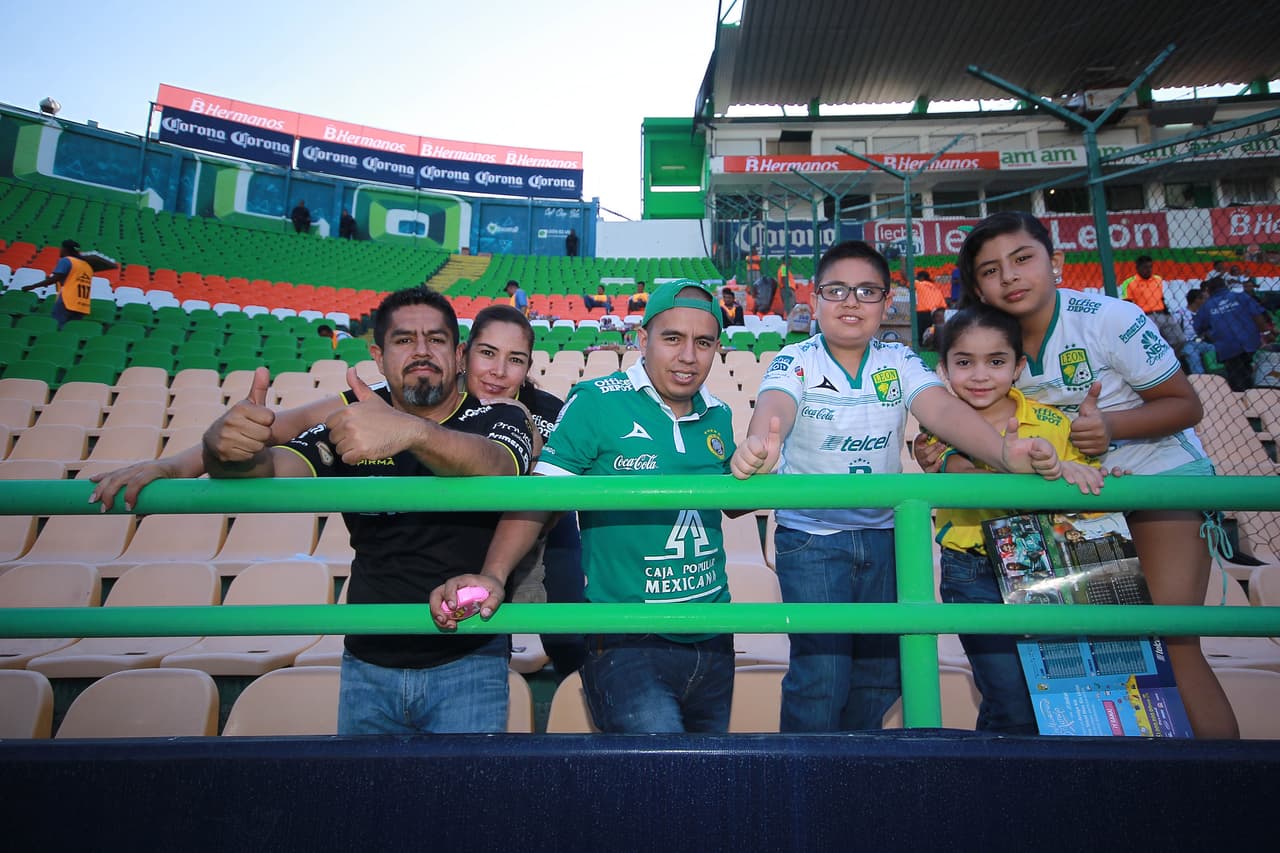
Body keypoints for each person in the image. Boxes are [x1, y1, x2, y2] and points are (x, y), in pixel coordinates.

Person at [729, 240, 1091, 733]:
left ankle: (855, 762)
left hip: (886, 538)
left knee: (883, 674)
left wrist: (1002, 454)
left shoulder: (899, 361)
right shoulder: (796, 359)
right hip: (811, 540)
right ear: (813, 300)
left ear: (886, 302)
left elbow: (942, 410)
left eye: (866, 291)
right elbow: (775, 406)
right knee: (822, 674)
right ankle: (807, 777)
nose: (851, 301)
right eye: (835, 290)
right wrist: (759, 441)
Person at [945, 211, 1238, 739]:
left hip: (1155, 480)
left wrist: (1110, 426)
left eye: (1022, 259)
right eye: (990, 270)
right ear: (977, 287)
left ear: (1055, 262)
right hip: (1069, 503)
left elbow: (1185, 405)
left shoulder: (1110, 319)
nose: (1009, 276)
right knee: (1087, 655)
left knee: (1168, 638)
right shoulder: (985, 344)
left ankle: (1228, 792)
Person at [200, 286, 535, 735]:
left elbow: (499, 469)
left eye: (436, 340)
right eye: (403, 341)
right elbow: (276, 469)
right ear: (378, 357)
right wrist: (226, 451)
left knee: (465, 802)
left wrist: (410, 433)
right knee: (364, 801)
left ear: (458, 355)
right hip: (367, 658)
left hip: (468, 658)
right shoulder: (351, 424)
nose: (421, 351)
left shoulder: (497, 416)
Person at [434, 280, 738, 733]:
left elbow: (732, 506)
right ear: (642, 339)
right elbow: (542, 499)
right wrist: (495, 573)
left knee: (708, 778)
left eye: (704, 342)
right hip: (628, 637)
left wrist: (756, 468)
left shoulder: (719, 414)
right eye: (673, 338)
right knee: (658, 783)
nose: (689, 356)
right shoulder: (595, 401)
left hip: (714, 632)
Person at [925, 305, 1105, 734]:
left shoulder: (1052, 422)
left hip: (1046, 564)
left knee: (1051, 697)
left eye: (997, 361)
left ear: (1019, 366)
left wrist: (1094, 471)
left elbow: (1086, 481)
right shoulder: (938, 425)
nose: (980, 375)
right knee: (1008, 698)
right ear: (944, 369)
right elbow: (951, 469)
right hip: (972, 569)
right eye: (964, 362)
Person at [1195, 275, 1273, 392]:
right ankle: (1252, 392)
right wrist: (1266, 333)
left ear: (1209, 290)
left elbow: (1198, 327)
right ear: (1225, 286)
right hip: (1249, 341)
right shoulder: (1240, 296)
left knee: (1237, 378)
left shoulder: (1206, 306)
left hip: (1227, 346)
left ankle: (1245, 397)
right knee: (1247, 370)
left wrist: (1211, 332)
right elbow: (1257, 314)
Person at [21, 238, 93, 329]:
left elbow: (55, 278)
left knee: (58, 328)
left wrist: (33, 286)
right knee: (71, 330)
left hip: (67, 301)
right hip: (82, 304)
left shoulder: (66, 260)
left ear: (65, 249)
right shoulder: (86, 266)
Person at [1172, 289, 1214, 375]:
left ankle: (1216, 373)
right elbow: (1173, 331)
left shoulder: (1202, 313)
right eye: (1203, 299)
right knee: (1193, 355)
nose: (1205, 301)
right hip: (1186, 343)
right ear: (1196, 300)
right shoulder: (1180, 313)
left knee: (1213, 348)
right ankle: (1200, 378)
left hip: (1201, 341)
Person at [913, 270, 949, 342]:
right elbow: (943, 306)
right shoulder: (936, 288)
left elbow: (906, 277)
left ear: (921, 278)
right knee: (931, 333)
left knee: (920, 334)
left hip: (921, 313)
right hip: (934, 314)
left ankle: (920, 347)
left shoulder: (920, 284)